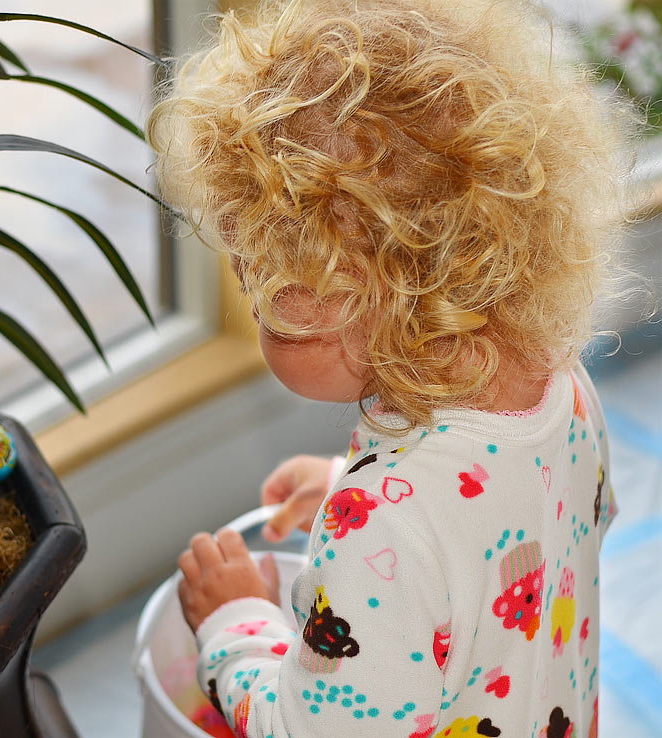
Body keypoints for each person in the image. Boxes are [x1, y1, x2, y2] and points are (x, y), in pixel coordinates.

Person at [146, 0, 630, 734]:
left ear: (381, 299)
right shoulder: (559, 380)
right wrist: (355, 484)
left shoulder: (381, 527)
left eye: (268, 292)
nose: (249, 297)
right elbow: (503, 528)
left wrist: (232, 621)